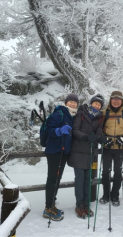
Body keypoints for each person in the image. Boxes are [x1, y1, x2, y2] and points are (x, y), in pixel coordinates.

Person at [68, 94, 107, 219]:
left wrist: (100, 138)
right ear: (91, 103)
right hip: (78, 151)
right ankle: (79, 205)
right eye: (95, 103)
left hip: (90, 152)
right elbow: (75, 130)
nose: (97, 106)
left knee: (87, 180)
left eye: (99, 105)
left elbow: (98, 133)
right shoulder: (81, 113)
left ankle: (86, 204)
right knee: (79, 179)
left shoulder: (100, 118)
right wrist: (86, 137)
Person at [42, 93, 78, 221]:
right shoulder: (59, 114)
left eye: (75, 102)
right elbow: (49, 130)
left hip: (63, 152)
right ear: (66, 103)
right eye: (71, 102)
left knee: (57, 178)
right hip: (55, 151)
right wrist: (58, 131)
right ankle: (48, 208)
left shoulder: (72, 116)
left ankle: (52, 204)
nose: (73, 104)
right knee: (53, 179)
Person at [99, 91, 123, 207]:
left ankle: (115, 195)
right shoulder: (104, 113)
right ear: (110, 100)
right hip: (107, 147)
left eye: (118, 99)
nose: (116, 101)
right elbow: (98, 128)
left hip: (120, 147)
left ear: (122, 101)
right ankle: (105, 194)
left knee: (118, 171)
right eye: (114, 99)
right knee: (105, 171)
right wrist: (104, 138)